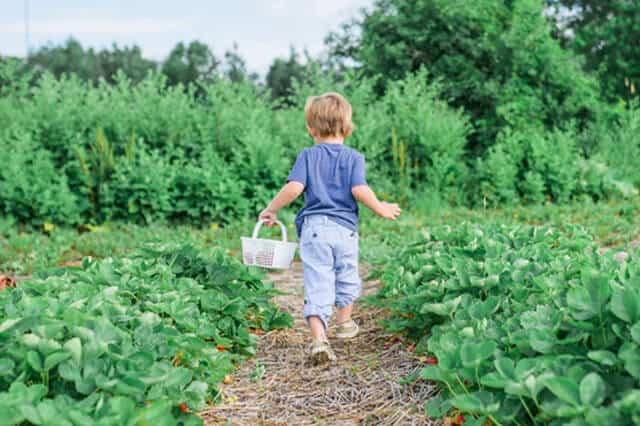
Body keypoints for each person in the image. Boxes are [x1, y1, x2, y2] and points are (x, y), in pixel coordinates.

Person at [260, 92, 401, 363]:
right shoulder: (353, 157)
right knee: (348, 274)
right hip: (345, 230)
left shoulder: (308, 155)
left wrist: (272, 208)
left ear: (311, 129)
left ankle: (319, 340)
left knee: (318, 281)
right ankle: (344, 322)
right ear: (347, 127)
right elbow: (359, 189)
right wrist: (381, 207)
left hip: (315, 229)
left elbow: (294, 188)